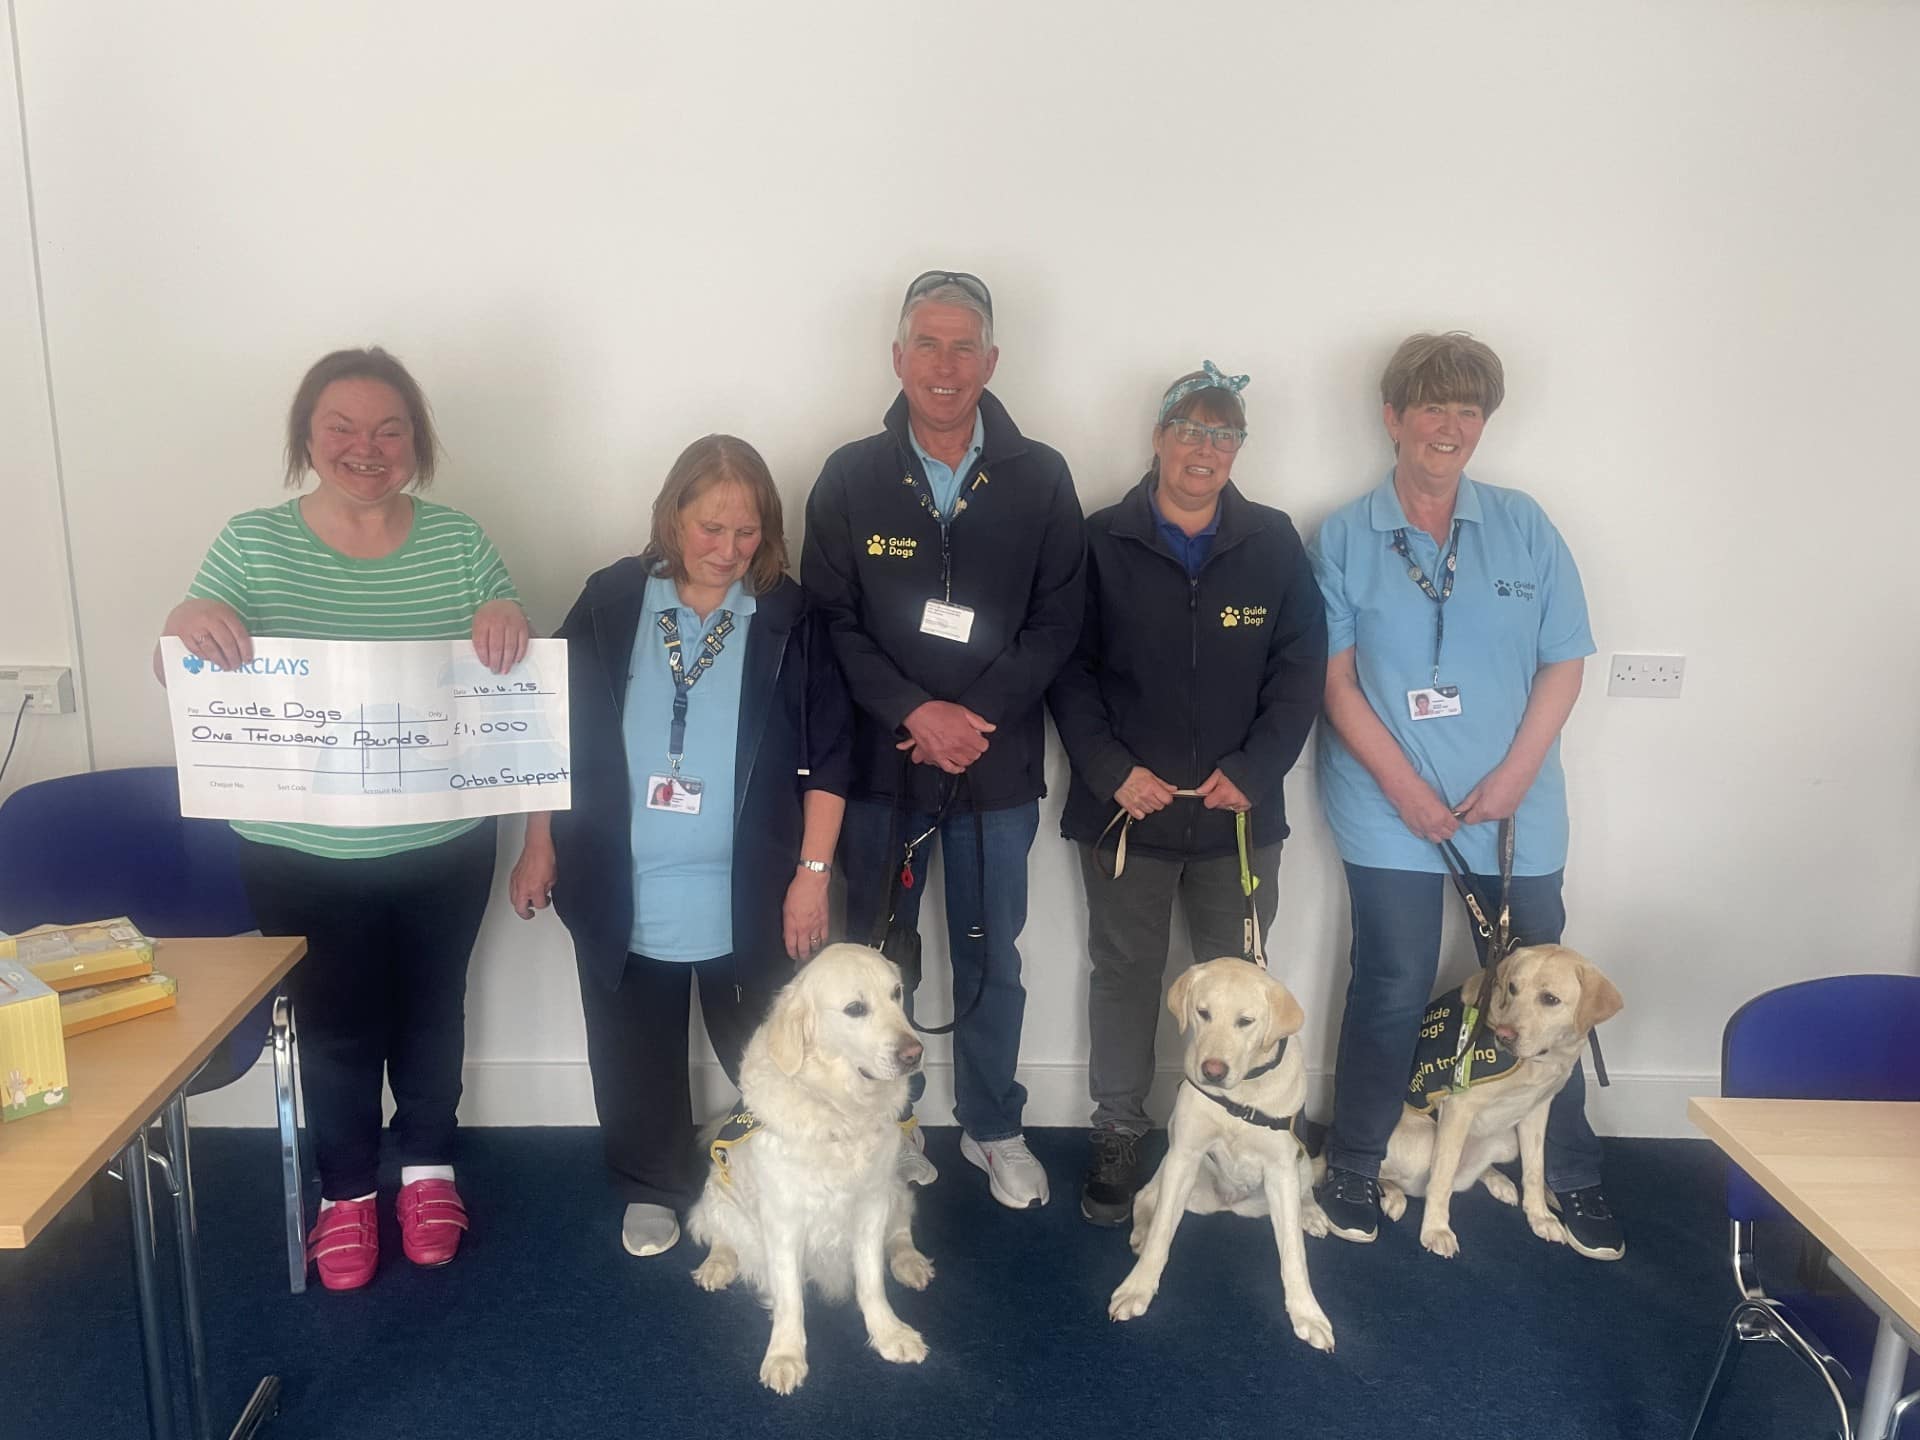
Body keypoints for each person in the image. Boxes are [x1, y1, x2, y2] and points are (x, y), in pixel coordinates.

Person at [156, 346, 530, 1291]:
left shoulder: (459, 542)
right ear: (307, 438)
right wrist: (182, 626)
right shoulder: (250, 543)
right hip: (298, 851)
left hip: (443, 840)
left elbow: (504, 672)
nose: (366, 448)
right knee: (331, 1024)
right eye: (342, 428)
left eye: (388, 429)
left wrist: (504, 621)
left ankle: (430, 1168)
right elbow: (185, 671)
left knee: (430, 1009)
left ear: (416, 441)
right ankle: (349, 1191)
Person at [1308, 332, 1619, 1259]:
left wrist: (1517, 774)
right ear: (1393, 417)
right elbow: (1333, 680)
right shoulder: (1343, 535)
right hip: (1387, 804)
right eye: (1432, 408)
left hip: (1515, 807)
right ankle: (1357, 1162)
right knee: (1395, 982)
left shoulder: (1526, 525)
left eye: (1468, 411)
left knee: (1554, 999)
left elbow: (1565, 663)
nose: (1449, 428)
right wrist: (1403, 787)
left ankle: (1568, 1174)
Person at [508, 434, 851, 1259]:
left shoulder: (791, 617)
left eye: (747, 532)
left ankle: (799, 1172)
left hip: (751, 888)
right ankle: (651, 1181)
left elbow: (833, 755)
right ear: (671, 519)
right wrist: (537, 843)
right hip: (621, 882)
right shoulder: (611, 598)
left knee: (775, 1053)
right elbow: (550, 726)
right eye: (710, 529)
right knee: (633, 1048)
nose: (729, 551)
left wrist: (812, 876)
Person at [802, 270, 1084, 1210]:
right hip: (882, 770)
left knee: (988, 957)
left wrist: (972, 719)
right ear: (896, 358)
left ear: (993, 362)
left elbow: (1058, 621)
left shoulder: (1041, 475)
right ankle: (894, 1123)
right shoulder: (849, 474)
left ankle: (994, 1126)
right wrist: (915, 714)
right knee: (884, 963)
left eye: (965, 347)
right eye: (928, 344)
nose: (946, 365)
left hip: (995, 776)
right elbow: (832, 620)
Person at [1048, 362, 1328, 1227]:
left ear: (1238, 450)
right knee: (1127, 976)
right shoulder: (1098, 540)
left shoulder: (1274, 542)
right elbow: (1069, 668)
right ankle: (1120, 1130)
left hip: (1239, 819)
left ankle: (1248, 1125)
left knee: (1245, 990)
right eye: (1190, 431)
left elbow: (1300, 671)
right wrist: (1109, 769)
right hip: (1126, 813)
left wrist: (1255, 768)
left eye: (1223, 435)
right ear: (1159, 439)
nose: (1204, 450)